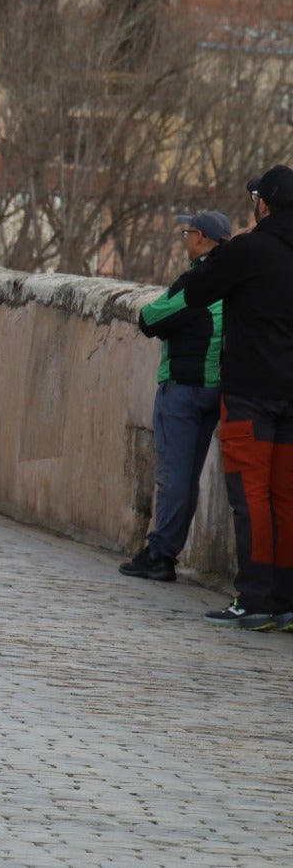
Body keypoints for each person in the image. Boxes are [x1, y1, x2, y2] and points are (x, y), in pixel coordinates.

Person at [182, 168, 293, 629]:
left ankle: (254, 598)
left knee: (251, 498)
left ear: (262, 204)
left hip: (250, 393)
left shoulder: (251, 249)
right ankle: (286, 600)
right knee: (286, 500)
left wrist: (230, 248)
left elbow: (195, 292)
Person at [119, 211, 230, 581]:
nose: (184, 239)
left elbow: (150, 319)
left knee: (175, 476)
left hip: (184, 387)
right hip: (218, 389)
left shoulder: (199, 280)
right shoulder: (236, 278)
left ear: (199, 237)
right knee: (189, 475)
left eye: (186, 233)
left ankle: (161, 554)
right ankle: (167, 549)